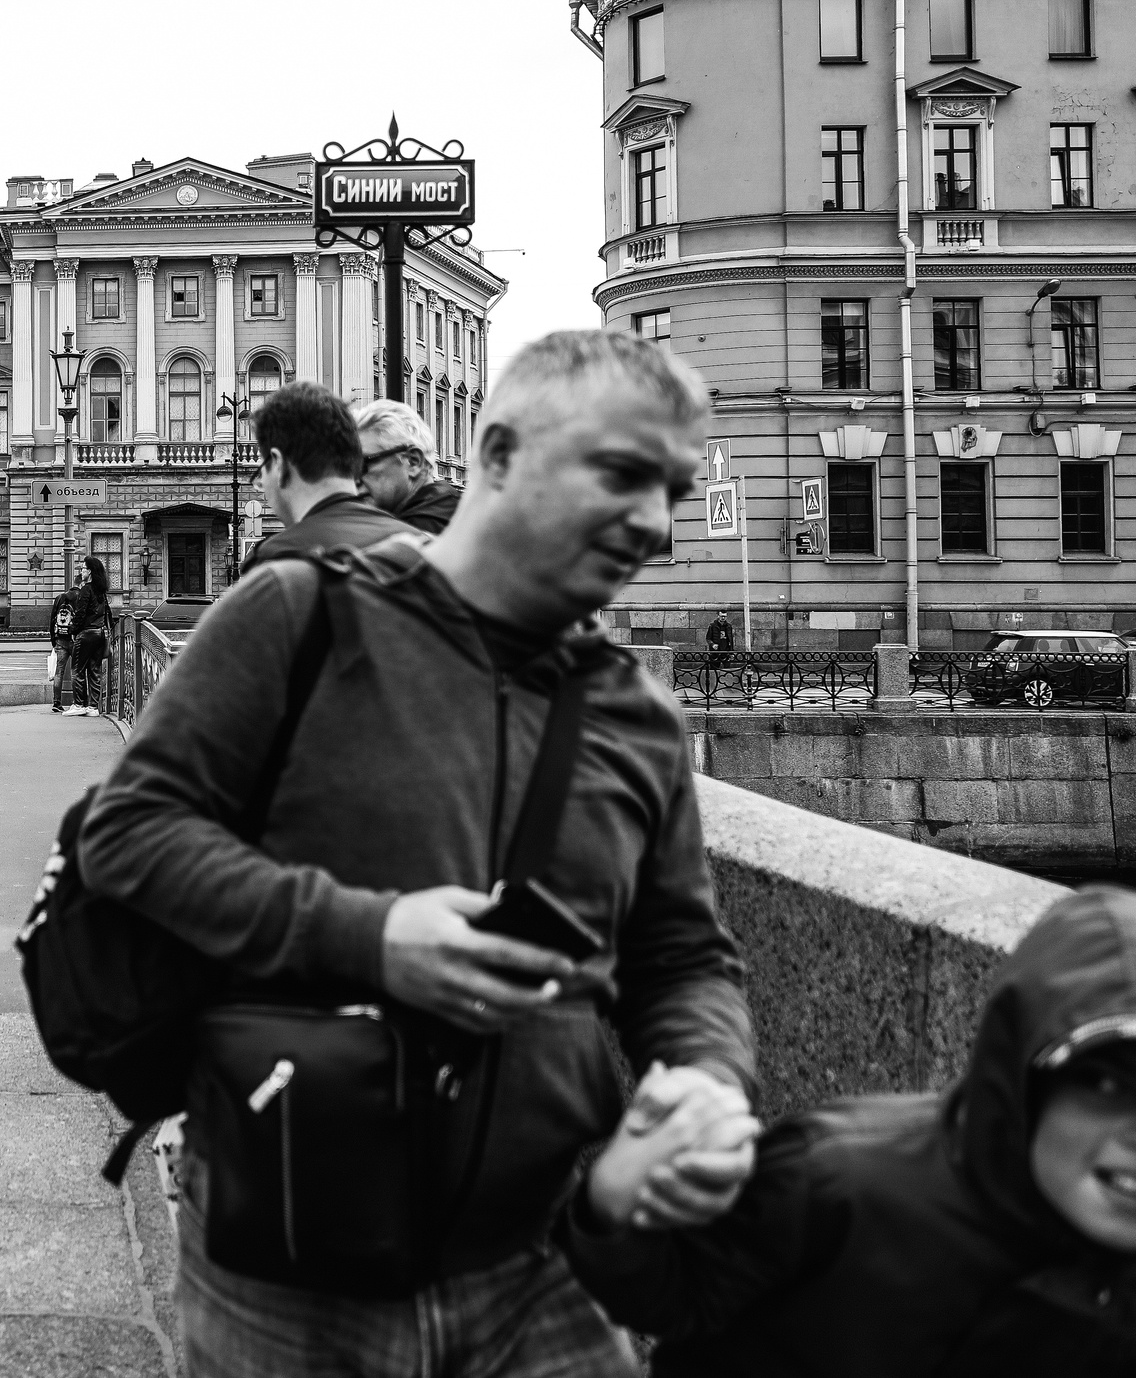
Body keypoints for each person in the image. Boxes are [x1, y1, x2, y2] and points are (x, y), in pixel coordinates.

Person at [77, 330, 756, 1378]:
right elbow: (129, 834)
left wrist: (706, 1078)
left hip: (539, 1263)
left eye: (673, 489)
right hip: (292, 1266)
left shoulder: (634, 716)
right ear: (493, 455)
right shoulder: (302, 615)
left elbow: (680, 957)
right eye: (622, 475)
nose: (658, 526)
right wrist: (372, 936)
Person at [563, 885, 1136, 1377]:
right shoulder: (842, 1178)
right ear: (1020, 1079)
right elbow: (674, 1295)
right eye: (1107, 1086)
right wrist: (613, 1204)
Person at [242, 381, 417, 572]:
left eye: (261, 472)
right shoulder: (419, 546)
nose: (263, 485)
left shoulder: (274, 560)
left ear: (279, 464)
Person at [354, 396, 463, 534]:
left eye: (362, 464)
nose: (354, 479)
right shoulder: (456, 510)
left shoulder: (414, 533)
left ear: (413, 462)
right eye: (348, 467)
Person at [49, 556, 113, 716]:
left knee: (77, 669)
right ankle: (93, 707)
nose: (82, 571)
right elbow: (107, 614)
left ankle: (79, 704)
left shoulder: (86, 589)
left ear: (89, 571)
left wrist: (73, 631)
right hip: (100, 634)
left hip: (86, 635)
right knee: (94, 670)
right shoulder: (101, 591)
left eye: (84, 568)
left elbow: (80, 614)